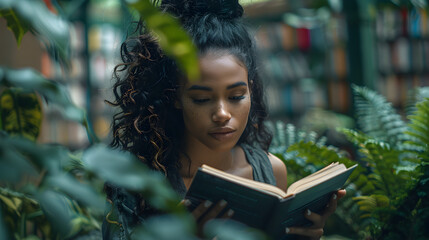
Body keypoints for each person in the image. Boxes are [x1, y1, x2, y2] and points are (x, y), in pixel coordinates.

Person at [103, 0, 346, 239]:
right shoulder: (137, 183)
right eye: (201, 99)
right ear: (175, 97)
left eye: (236, 96)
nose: (222, 113)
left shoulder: (270, 171)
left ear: (251, 90)